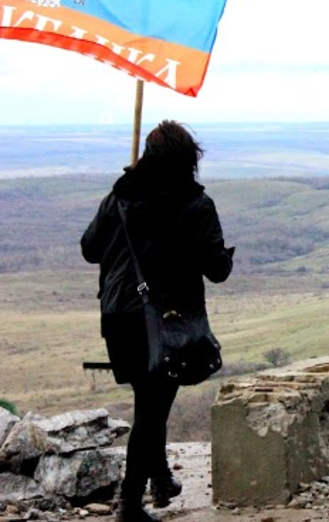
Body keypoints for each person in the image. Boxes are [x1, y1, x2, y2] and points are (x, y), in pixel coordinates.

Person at [80, 121, 234, 522]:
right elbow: (217, 269)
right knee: (152, 407)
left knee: (151, 399)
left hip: (117, 316)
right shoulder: (196, 205)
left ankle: (162, 478)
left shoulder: (121, 196)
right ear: (189, 160)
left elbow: (90, 249)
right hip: (167, 319)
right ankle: (130, 502)